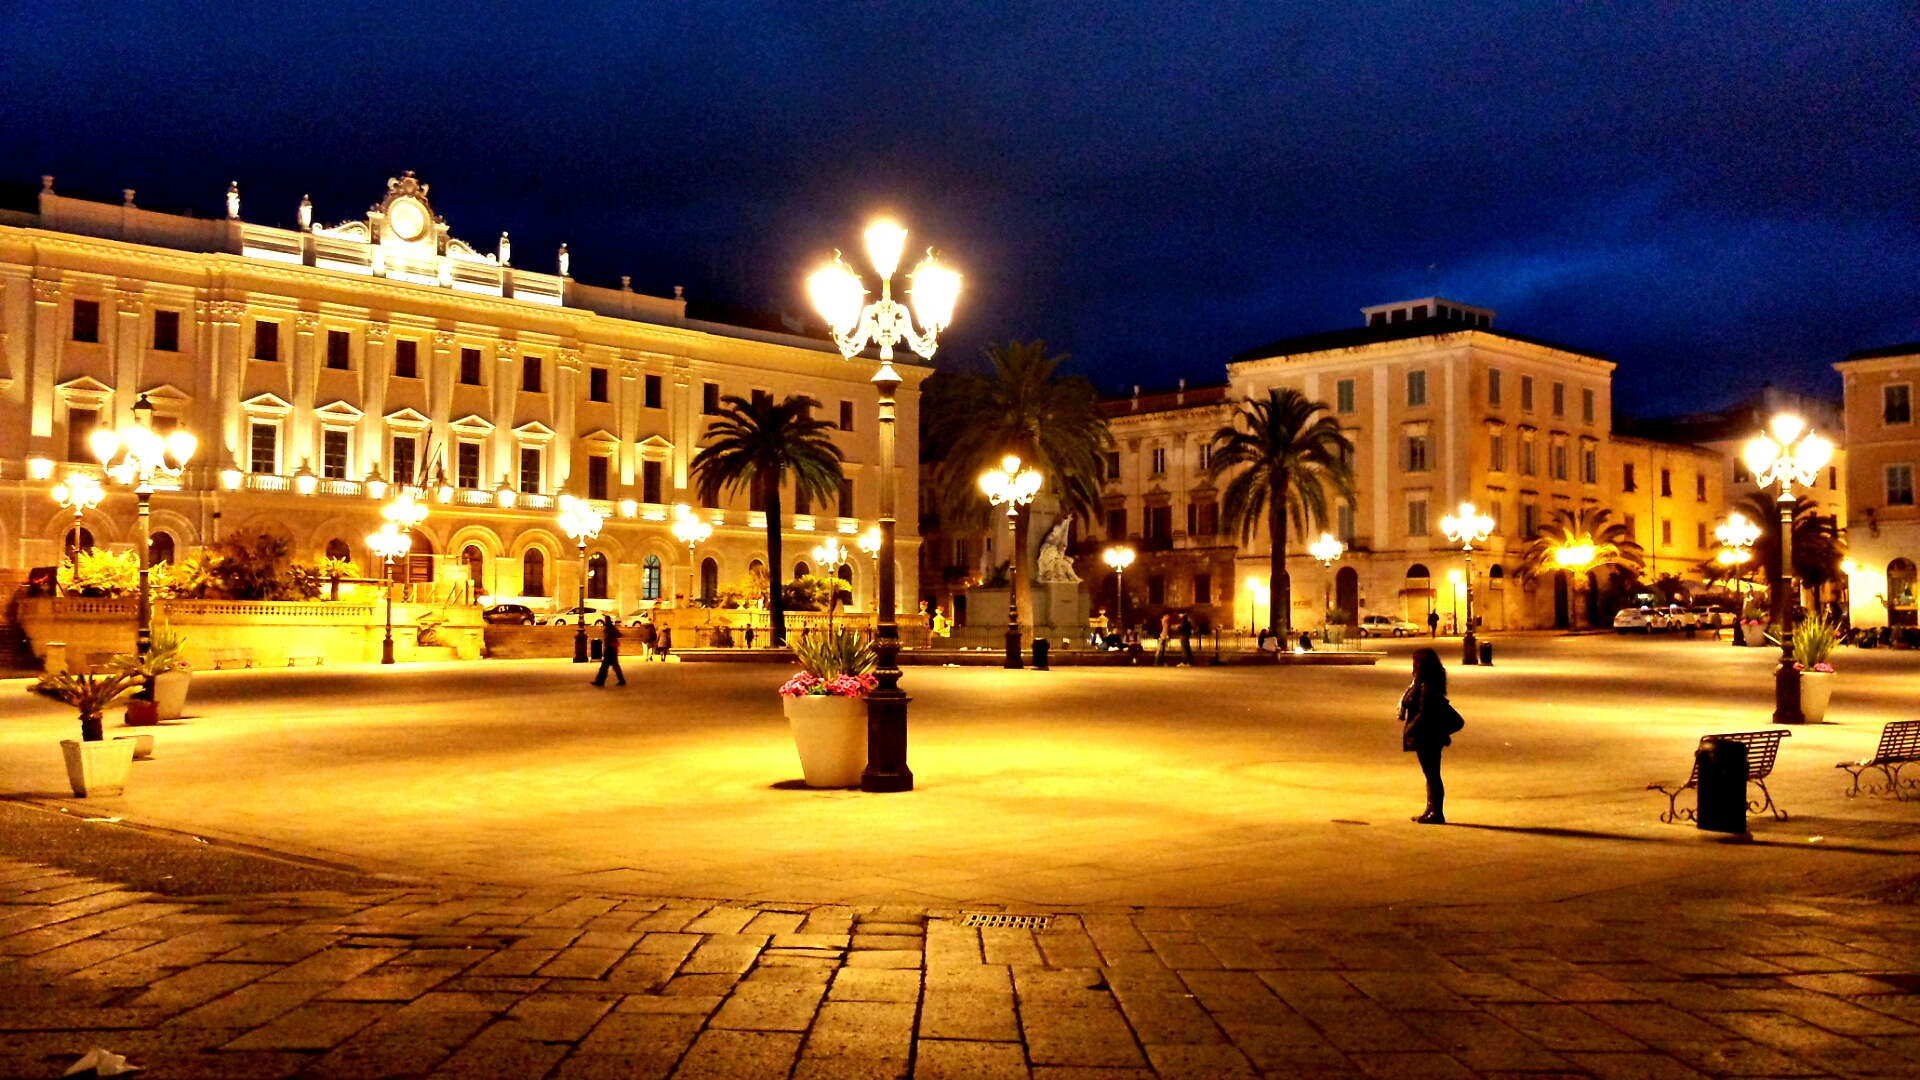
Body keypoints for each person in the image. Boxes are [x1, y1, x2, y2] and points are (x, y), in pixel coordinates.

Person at [1400, 647, 1460, 824]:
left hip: (1428, 736)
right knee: (1430, 773)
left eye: (1415, 662)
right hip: (1428, 734)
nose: (1413, 666)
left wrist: (1410, 728)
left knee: (1433, 774)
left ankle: (1437, 812)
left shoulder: (1428, 686)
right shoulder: (1425, 682)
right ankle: (1431, 808)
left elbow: (1425, 712)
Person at [592, 613, 626, 687]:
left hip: (610, 649)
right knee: (613, 666)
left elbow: (607, 638)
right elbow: (619, 635)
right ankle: (621, 680)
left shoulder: (608, 629)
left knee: (605, 666)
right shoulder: (613, 628)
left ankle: (600, 681)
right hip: (613, 648)